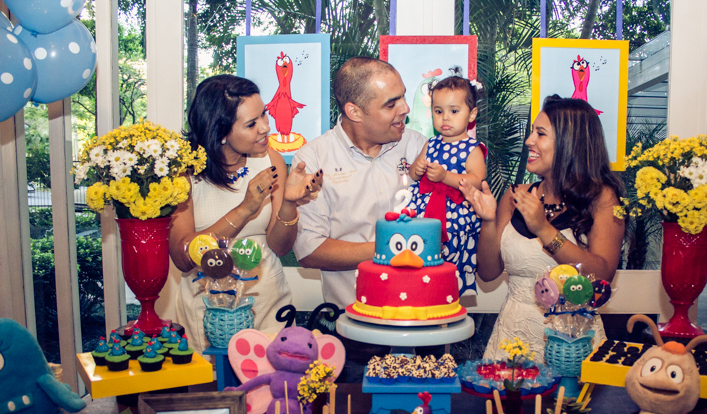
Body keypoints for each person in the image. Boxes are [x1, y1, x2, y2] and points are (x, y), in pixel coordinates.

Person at [459, 96, 625, 361]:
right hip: (512, 341)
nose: (529, 141)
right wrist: (488, 222)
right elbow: (488, 274)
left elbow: (601, 275)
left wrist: (544, 229)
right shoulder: (515, 196)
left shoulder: (602, 199)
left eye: (540, 133)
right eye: (531, 132)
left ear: (569, 142)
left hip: (572, 342)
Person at [170, 74, 322, 353]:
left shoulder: (271, 160)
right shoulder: (185, 172)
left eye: (263, 114)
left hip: (267, 304)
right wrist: (244, 210)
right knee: (215, 382)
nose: (266, 127)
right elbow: (182, 258)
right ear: (221, 132)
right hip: (208, 311)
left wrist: (289, 203)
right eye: (252, 124)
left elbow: (279, 246)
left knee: (274, 378)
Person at [292, 57, 427, 310]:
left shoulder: (418, 146)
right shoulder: (313, 159)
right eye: (391, 104)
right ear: (354, 112)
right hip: (351, 319)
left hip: (420, 313)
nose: (405, 108)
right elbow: (309, 250)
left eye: (403, 96)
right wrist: (396, 246)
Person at [408, 75, 486, 296]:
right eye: (438, 111)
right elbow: (413, 175)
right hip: (425, 211)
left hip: (455, 215)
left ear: (471, 114)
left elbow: (477, 180)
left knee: (450, 259)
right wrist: (417, 169)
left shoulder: (472, 148)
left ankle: (449, 290)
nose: (445, 117)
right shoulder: (431, 143)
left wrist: (445, 176)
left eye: (454, 111)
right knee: (420, 251)